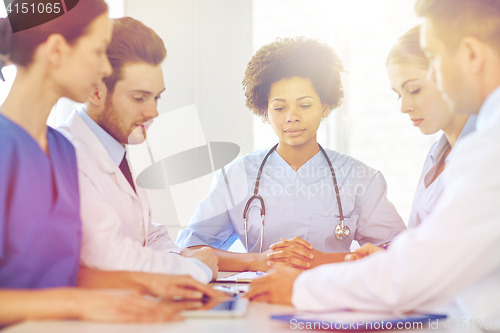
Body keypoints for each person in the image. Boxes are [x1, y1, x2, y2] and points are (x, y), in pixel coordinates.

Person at [245, 0, 500, 323]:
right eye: (280, 107)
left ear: (472, 55)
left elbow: (415, 274)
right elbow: (424, 258)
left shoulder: (491, 148)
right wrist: (378, 262)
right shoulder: (461, 147)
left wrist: (301, 286)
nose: (434, 74)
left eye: (433, 59)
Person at [0, 0, 203, 325]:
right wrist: (77, 304)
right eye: (98, 51)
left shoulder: (62, 150)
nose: (105, 69)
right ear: (56, 50)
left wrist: (150, 282)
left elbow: (63, 273)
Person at [177, 37, 406, 272]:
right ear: (264, 110)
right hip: (259, 297)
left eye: (305, 105)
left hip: (332, 300)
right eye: (279, 107)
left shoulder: (360, 178)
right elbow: (189, 249)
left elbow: (399, 253)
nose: (292, 117)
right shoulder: (236, 176)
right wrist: (257, 261)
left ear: (325, 106)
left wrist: (318, 261)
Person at [57, 17, 219, 284]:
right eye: (139, 98)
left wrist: (186, 261)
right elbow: (107, 256)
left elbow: (149, 235)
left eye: (157, 97)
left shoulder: (115, 150)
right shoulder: (69, 154)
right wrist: (195, 270)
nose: (153, 112)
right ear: (96, 92)